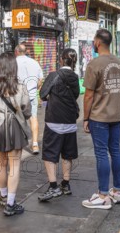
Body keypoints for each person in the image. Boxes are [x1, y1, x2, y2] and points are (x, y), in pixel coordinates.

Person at [81, 29, 120, 210]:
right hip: (117, 115)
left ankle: (102, 195)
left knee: (101, 153)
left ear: (98, 43)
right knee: (115, 150)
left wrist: (85, 118)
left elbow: (88, 96)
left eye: (93, 41)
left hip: (99, 116)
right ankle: (116, 191)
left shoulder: (94, 64)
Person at [0, 52, 32, 216]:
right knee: (15, 165)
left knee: (0, 164)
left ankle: (4, 196)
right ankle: (11, 203)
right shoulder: (20, 87)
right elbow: (27, 110)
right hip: (15, 127)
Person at [37, 48, 80, 202]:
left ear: (61, 59)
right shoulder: (75, 77)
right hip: (70, 121)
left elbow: (42, 94)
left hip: (54, 120)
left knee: (50, 154)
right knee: (67, 153)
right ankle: (66, 184)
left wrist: (52, 96)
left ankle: (53, 186)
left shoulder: (53, 75)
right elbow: (75, 95)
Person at [15, 43, 44, 154]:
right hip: (32, 96)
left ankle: (19, 143)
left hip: (17, 97)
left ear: (16, 51)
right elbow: (40, 79)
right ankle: (35, 144)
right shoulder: (35, 63)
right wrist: (35, 88)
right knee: (33, 118)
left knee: (17, 120)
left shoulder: (14, 63)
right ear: (26, 51)